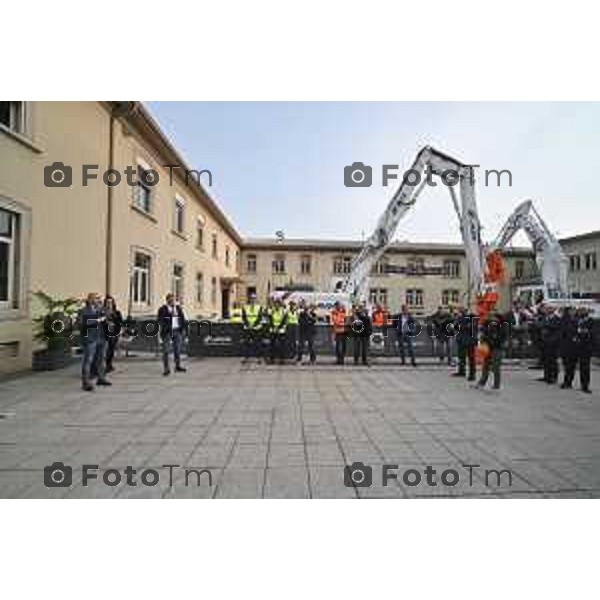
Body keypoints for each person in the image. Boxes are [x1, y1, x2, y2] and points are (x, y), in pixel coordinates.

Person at [80, 292, 112, 391]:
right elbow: (83, 323)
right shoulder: (84, 311)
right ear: (90, 300)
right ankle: (86, 382)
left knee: (101, 359)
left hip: (101, 337)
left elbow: (108, 317)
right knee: (88, 360)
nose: (99, 300)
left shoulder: (100, 309)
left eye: (99, 298)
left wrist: (107, 310)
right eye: (96, 298)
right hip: (90, 338)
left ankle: (101, 378)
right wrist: (98, 320)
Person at [476, 312, 508, 390]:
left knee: (496, 366)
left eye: (495, 318)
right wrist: (484, 341)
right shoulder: (487, 324)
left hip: (497, 348)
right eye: (492, 318)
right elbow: (483, 334)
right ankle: (482, 382)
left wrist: (494, 340)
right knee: (485, 365)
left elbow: (502, 337)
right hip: (488, 347)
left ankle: (496, 384)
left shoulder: (503, 326)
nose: (493, 320)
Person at [157, 293, 187, 376]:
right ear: (167, 300)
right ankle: (166, 368)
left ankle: (177, 366)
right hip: (167, 332)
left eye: (173, 299)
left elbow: (182, 318)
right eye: (170, 299)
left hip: (177, 330)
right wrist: (170, 316)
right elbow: (160, 320)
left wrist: (183, 329)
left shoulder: (178, 308)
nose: (172, 301)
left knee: (177, 350)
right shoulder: (162, 309)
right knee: (166, 350)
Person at [454, 307, 477, 380]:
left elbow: (469, 328)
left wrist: (460, 326)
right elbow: (456, 327)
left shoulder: (472, 318)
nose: (459, 313)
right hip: (461, 340)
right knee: (461, 357)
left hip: (470, 341)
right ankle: (461, 371)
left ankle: (472, 374)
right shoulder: (460, 319)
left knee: (471, 358)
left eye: (461, 312)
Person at [539, 305, 561, 384]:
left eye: (550, 308)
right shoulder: (545, 318)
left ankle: (554, 377)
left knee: (553, 361)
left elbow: (556, 328)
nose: (548, 310)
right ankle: (547, 376)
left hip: (553, 343)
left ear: (554, 309)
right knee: (546, 360)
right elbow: (540, 325)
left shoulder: (557, 319)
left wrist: (546, 326)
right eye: (547, 308)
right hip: (545, 341)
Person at [575, 306, 594, 394]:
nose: (581, 312)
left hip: (587, 347)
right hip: (578, 346)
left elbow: (592, 333)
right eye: (580, 311)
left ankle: (586, 385)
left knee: (586, 367)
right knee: (581, 366)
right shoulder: (578, 320)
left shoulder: (591, 321)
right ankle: (582, 384)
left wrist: (583, 332)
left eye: (583, 310)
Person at [241, 293, 264, 363]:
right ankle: (246, 358)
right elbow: (244, 317)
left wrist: (253, 325)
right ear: (249, 299)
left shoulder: (259, 307)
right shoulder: (245, 307)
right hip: (247, 328)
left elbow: (259, 318)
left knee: (258, 344)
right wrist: (248, 325)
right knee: (246, 343)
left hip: (256, 328)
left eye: (254, 299)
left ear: (255, 299)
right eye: (251, 298)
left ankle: (259, 358)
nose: (252, 300)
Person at [103, 295, 123, 373]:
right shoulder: (102, 312)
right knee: (106, 350)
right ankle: (104, 366)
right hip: (105, 334)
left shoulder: (117, 312)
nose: (109, 304)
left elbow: (120, 322)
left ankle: (109, 364)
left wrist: (117, 329)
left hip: (114, 334)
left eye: (110, 302)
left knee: (111, 350)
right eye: (107, 302)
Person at [560, 307, 578, 389]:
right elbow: (563, 332)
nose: (573, 312)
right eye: (571, 311)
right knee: (567, 365)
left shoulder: (577, 320)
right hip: (565, 345)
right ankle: (566, 381)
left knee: (572, 365)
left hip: (574, 346)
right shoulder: (564, 320)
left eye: (574, 310)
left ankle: (569, 381)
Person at [269, 298, 288, 364]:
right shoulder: (272, 311)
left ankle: (282, 359)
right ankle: (272, 359)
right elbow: (270, 320)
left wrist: (278, 327)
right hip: (273, 330)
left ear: (279, 305)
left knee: (282, 346)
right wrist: (274, 327)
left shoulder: (283, 311)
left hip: (281, 331)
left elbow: (284, 320)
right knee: (272, 345)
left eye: (278, 304)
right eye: (275, 304)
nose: (276, 305)